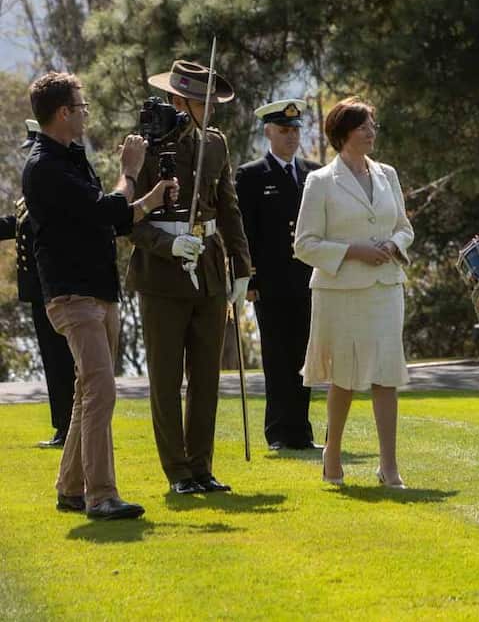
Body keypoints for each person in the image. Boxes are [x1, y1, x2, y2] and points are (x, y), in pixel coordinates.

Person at [23, 72, 176, 519]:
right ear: (64, 112)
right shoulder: (44, 166)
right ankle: (101, 495)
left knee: (87, 391)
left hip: (98, 291)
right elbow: (106, 209)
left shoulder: (71, 157)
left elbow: (115, 216)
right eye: (82, 106)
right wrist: (129, 172)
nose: (86, 113)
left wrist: (150, 197)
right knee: (102, 390)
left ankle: (70, 487)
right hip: (73, 296)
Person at [126, 60, 252, 494]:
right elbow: (128, 220)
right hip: (162, 273)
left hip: (211, 270)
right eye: (200, 102)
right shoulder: (145, 145)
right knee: (166, 379)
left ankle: (201, 468)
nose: (208, 110)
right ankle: (178, 472)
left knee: (206, 378)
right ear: (177, 100)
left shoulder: (215, 144)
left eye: (211, 103)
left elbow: (229, 209)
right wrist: (168, 245)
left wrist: (242, 268)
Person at [295, 97, 414, 488]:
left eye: (373, 125)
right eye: (364, 126)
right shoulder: (320, 182)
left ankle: (389, 466)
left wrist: (393, 246)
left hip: (385, 289)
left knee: (386, 376)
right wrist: (353, 251)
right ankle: (332, 454)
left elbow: (404, 227)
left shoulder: (388, 175)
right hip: (341, 292)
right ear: (343, 133)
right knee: (343, 378)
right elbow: (305, 244)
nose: (371, 132)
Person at [235, 99, 321, 451]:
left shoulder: (313, 173)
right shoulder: (252, 175)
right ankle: (278, 431)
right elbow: (245, 233)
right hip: (270, 282)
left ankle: (300, 431)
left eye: (296, 129)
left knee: (305, 357)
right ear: (268, 131)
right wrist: (250, 279)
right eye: (284, 130)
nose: (291, 136)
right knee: (276, 356)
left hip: (307, 280)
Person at [0, 118, 75, 448]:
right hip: (38, 291)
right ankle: (62, 426)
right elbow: (14, 226)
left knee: (62, 361)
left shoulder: (49, 189)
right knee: (52, 361)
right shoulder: (29, 197)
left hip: (53, 288)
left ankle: (69, 427)